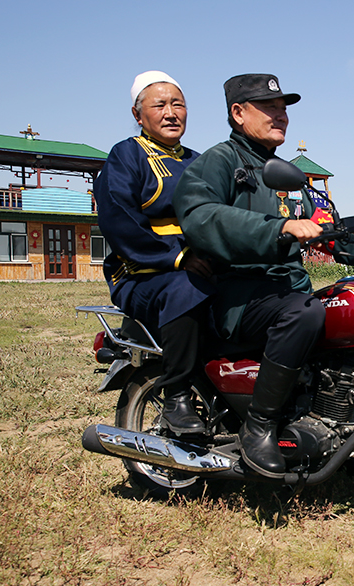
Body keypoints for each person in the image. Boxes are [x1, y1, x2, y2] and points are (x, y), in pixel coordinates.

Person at [173, 73, 354, 481]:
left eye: (284, 108)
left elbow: (326, 227)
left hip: (285, 291)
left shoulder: (286, 172)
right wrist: (277, 229)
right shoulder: (220, 161)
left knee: (350, 319)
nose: (281, 115)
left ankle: (350, 447)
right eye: (269, 107)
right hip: (239, 296)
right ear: (238, 113)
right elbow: (200, 216)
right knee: (306, 314)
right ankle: (259, 427)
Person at [96, 71, 213, 435]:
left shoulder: (200, 161)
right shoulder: (126, 156)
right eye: (159, 105)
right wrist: (177, 257)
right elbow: (119, 218)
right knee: (188, 287)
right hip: (141, 275)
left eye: (178, 104)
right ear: (138, 114)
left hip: (199, 268)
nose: (171, 113)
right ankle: (176, 395)